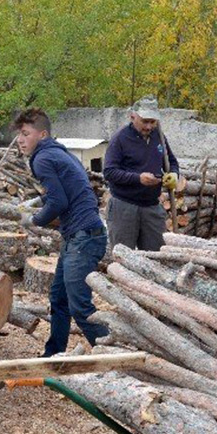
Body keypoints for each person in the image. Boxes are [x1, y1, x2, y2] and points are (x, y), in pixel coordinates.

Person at [16, 108, 108, 357]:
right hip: (80, 235)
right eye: (19, 134)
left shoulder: (42, 159)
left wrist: (34, 220)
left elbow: (58, 202)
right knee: (59, 298)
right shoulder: (58, 154)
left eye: (26, 134)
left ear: (43, 134)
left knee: (80, 307)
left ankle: (114, 357)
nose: (20, 140)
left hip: (84, 237)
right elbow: (61, 194)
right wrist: (39, 204)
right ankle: (54, 354)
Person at [103, 96, 179, 252]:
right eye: (145, 121)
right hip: (124, 207)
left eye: (153, 122)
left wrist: (174, 174)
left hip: (151, 206)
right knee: (123, 255)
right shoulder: (120, 139)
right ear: (133, 117)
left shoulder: (159, 136)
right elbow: (109, 172)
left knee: (157, 255)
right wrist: (138, 178)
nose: (149, 126)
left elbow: (171, 161)